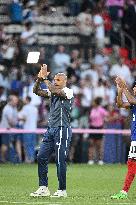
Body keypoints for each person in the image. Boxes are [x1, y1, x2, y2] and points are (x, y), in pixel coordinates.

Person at [30, 64, 74, 197]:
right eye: (54, 79)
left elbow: (54, 91)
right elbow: (35, 91)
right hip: (50, 130)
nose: (55, 81)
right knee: (41, 156)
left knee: (60, 160)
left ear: (65, 81)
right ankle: (43, 188)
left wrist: (45, 79)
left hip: (62, 129)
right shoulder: (52, 91)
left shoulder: (68, 91)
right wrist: (39, 79)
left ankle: (62, 190)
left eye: (58, 80)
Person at [111, 76, 136, 199]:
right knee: (132, 163)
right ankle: (124, 192)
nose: (135, 88)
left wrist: (124, 86)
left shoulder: (133, 101)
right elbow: (120, 104)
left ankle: (124, 192)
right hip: (135, 139)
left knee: (132, 163)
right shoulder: (133, 103)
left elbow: (131, 99)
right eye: (135, 87)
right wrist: (120, 91)